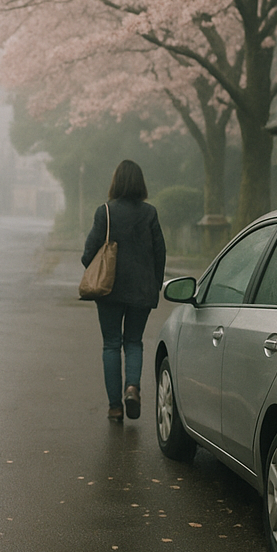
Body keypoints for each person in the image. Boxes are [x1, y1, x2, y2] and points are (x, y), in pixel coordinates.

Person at [81, 160, 166, 422]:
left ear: (115, 182)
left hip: (109, 290)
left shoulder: (105, 212)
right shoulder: (150, 213)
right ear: (140, 183)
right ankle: (132, 387)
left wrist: (95, 268)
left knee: (111, 345)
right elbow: (160, 253)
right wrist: (154, 286)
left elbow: (89, 254)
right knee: (133, 342)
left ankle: (115, 408)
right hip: (141, 290)